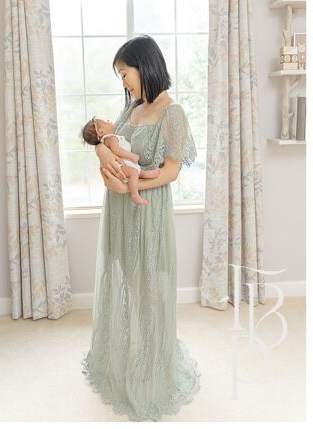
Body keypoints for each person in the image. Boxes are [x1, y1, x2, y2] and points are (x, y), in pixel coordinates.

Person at [82, 35, 200, 421]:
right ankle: (135, 352)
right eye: (119, 75)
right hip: (119, 212)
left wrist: (127, 184)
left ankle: (156, 361)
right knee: (130, 280)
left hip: (147, 212)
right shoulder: (131, 108)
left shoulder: (173, 113)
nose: (123, 82)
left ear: (144, 65)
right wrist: (102, 151)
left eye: (125, 72)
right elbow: (107, 144)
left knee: (153, 286)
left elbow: (171, 171)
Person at [81, 116, 161, 205]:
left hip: (124, 164)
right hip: (120, 166)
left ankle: (144, 174)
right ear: (100, 132)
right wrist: (132, 156)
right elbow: (116, 150)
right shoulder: (110, 138)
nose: (108, 119)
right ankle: (134, 194)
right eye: (105, 121)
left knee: (135, 172)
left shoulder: (110, 138)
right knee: (133, 172)